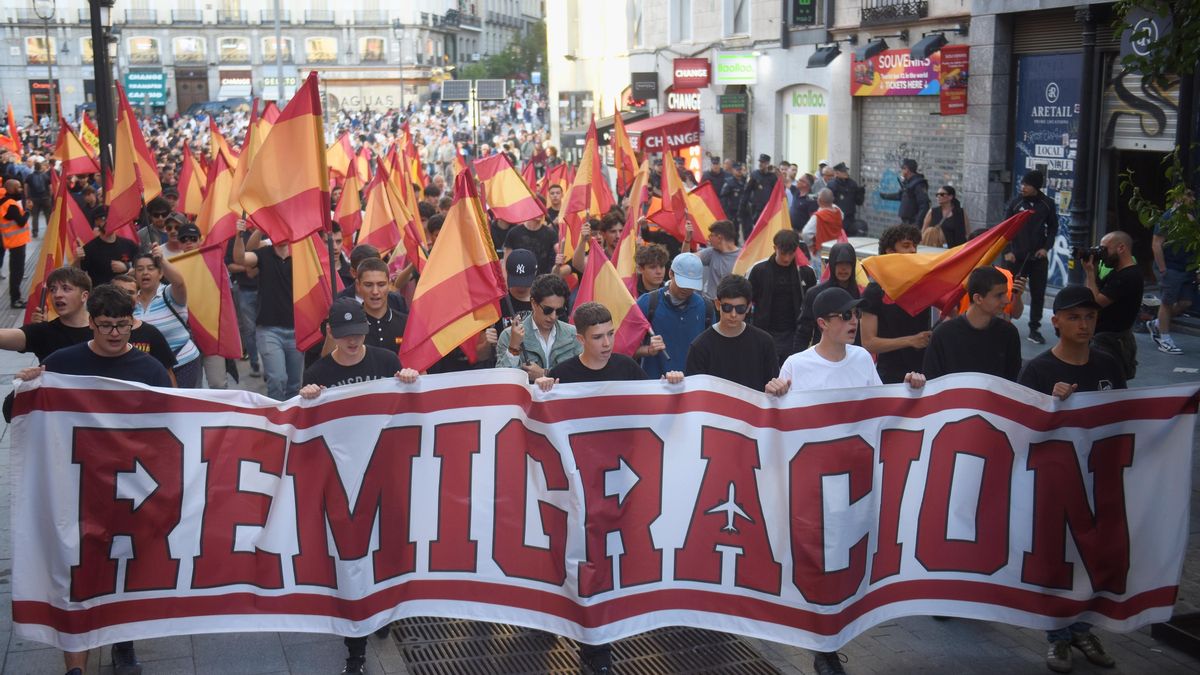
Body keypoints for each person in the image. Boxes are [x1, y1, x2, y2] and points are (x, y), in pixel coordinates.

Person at [16, 284, 172, 675]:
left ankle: (123, 643)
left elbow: (173, 423)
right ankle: (75, 666)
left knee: (124, 570)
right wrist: (30, 385)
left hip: (129, 490)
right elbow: (14, 414)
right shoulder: (61, 363)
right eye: (106, 325)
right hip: (74, 489)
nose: (116, 334)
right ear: (91, 324)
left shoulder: (149, 369)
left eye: (122, 326)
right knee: (74, 573)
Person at [295, 297, 418, 675]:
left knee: (390, 546)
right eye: (345, 335)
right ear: (331, 332)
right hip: (344, 484)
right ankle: (356, 650)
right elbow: (308, 432)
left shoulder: (386, 362)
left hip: (386, 474)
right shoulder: (318, 371)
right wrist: (307, 401)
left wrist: (411, 384)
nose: (352, 342)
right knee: (353, 560)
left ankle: (386, 609)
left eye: (358, 333)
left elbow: (409, 415)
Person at [1016, 285, 1124, 674]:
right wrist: (1051, 405)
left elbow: (1124, 420)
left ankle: (1083, 629)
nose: (1084, 324)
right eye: (1075, 317)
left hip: (1098, 482)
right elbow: (1022, 431)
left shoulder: (1108, 365)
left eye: (1090, 316)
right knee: (1057, 562)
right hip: (1055, 487)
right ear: (1056, 321)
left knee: (1093, 560)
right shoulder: (1039, 370)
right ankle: (1058, 637)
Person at [772, 286, 926, 396]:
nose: (854, 321)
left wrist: (909, 390)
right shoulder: (795, 365)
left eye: (856, 313)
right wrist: (773, 395)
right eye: (846, 315)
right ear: (822, 323)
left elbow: (880, 408)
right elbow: (777, 418)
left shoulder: (863, 357)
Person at [537, 301, 683, 389]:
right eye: (597, 337)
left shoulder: (627, 366)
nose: (607, 343)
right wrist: (542, 389)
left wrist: (669, 385)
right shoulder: (562, 374)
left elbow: (651, 402)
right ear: (581, 339)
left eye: (610, 334)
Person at [234, 223, 304, 400]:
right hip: (268, 330)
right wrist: (241, 234)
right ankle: (276, 421)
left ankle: (292, 422)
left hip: (296, 330)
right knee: (277, 379)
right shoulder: (264, 254)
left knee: (295, 384)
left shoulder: (302, 256)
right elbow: (240, 258)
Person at [922, 267, 1022, 381]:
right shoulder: (943, 334)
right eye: (999, 295)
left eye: (1006, 294)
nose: (1006, 300)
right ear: (978, 298)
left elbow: (1013, 383)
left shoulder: (1009, 334)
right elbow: (931, 381)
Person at [861, 225, 932, 384]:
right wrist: (911, 340)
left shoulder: (922, 286)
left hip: (924, 375)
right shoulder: (874, 292)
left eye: (915, 246)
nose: (913, 250)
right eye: (906, 246)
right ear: (890, 252)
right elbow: (868, 342)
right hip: (890, 378)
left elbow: (950, 310)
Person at [685, 274, 778, 391]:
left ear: (748, 307)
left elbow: (773, 384)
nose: (733, 314)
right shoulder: (700, 347)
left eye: (740, 309)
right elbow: (694, 392)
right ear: (718, 305)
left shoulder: (765, 342)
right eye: (728, 307)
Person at [131, 248, 202, 387]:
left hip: (182, 362)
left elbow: (179, 283)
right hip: (149, 368)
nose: (145, 272)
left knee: (180, 406)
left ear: (160, 273)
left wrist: (162, 259)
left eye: (150, 268)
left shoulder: (169, 293)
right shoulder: (130, 301)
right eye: (140, 269)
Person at [635, 252, 713, 379]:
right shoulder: (647, 303)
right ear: (671, 274)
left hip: (692, 387)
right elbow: (625, 348)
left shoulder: (706, 307)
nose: (686, 289)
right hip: (655, 386)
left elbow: (712, 351)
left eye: (691, 285)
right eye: (683, 283)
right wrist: (648, 350)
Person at [1002, 169, 1057, 344]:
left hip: (1037, 257)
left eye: (1027, 185)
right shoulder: (1016, 203)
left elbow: (1053, 228)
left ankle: (1035, 328)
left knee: (1038, 292)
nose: (1023, 187)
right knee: (1011, 290)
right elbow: (1005, 228)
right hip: (1016, 256)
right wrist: (1007, 251)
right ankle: (1006, 323)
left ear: (1036, 187)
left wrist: (1046, 248)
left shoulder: (1047, 203)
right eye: (1022, 184)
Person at [496, 273, 582, 382]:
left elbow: (581, 376)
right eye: (548, 310)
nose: (553, 317)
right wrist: (514, 346)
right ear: (533, 303)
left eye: (559, 311)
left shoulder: (573, 334)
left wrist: (544, 374)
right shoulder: (509, 336)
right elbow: (502, 381)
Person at [748, 230, 816, 365]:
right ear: (775, 248)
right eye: (783, 253)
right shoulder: (759, 271)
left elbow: (812, 303)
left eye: (791, 254)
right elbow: (748, 301)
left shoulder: (805, 273)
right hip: (765, 331)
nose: (786, 258)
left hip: (794, 333)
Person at [0, 265, 92, 363]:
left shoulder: (102, 329)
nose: (57, 295)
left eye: (66, 289)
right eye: (53, 290)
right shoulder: (44, 331)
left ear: (84, 296)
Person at [1083, 230, 1143, 380]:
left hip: (1110, 341)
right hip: (1106, 338)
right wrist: (1093, 270)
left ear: (1121, 248)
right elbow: (1089, 293)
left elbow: (1094, 302)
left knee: (1106, 382)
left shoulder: (1128, 276)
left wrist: (1090, 273)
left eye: (1104, 249)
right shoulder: (1116, 273)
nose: (1101, 253)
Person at [1148, 195, 1197, 354]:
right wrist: (1163, 269)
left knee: (1186, 302)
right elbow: (1156, 244)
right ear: (1180, 198)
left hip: (1186, 268)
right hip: (1171, 267)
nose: (1193, 199)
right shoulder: (1167, 218)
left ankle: (1157, 323)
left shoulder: (1190, 218)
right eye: (1189, 196)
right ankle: (1164, 338)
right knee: (1167, 302)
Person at [111, 273, 179, 382]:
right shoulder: (94, 331)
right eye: (119, 291)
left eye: (130, 293)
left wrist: (173, 398)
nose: (124, 296)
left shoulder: (150, 332)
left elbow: (167, 373)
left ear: (137, 298)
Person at [795, 242, 860, 351]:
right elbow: (803, 332)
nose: (843, 269)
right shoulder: (815, 294)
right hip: (822, 355)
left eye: (847, 264)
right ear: (832, 264)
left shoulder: (859, 294)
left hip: (851, 356)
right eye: (839, 264)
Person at [77, 206, 139, 287]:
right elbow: (80, 275)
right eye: (103, 218)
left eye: (110, 218)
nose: (107, 222)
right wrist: (77, 259)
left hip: (126, 294)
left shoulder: (129, 244)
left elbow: (139, 268)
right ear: (96, 222)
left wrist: (126, 267)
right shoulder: (89, 249)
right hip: (102, 296)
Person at [1, 178, 31, 308]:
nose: (20, 189)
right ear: (11, 189)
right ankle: (16, 299)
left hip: (12, 241)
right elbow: (21, 221)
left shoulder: (5, 202)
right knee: (16, 272)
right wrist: (28, 210)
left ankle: (16, 298)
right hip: (16, 242)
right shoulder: (10, 204)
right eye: (18, 187)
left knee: (16, 271)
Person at [800, 188, 844, 275]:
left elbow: (805, 233)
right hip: (836, 250)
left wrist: (810, 245)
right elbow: (838, 212)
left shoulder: (818, 217)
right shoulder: (838, 211)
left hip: (821, 253)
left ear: (819, 200)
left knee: (821, 277)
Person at [503, 215, 558, 281]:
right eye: (536, 208)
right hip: (519, 282)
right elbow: (506, 262)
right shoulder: (514, 233)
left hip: (543, 284)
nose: (539, 212)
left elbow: (558, 253)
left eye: (541, 209)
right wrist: (507, 284)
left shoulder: (551, 234)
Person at [697, 219, 741, 300]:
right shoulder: (711, 252)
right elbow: (687, 260)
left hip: (729, 307)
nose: (708, 238)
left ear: (719, 238)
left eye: (711, 235)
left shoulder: (742, 257)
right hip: (710, 303)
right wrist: (687, 240)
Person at [878, 158, 930, 226]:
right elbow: (900, 196)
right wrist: (884, 196)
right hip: (907, 222)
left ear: (907, 169)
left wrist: (917, 223)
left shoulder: (918, 184)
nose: (901, 170)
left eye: (902, 168)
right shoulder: (909, 182)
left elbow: (924, 205)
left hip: (913, 223)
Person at [738, 154, 778, 240]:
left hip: (768, 209)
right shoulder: (754, 175)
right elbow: (747, 191)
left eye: (763, 162)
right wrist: (742, 207)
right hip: (756, 208)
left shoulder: (773, 177)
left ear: (768, 163)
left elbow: (777, 192)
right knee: (756, 231)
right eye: (760, 162)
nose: (761, 164)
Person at [827, 162, 862, 235]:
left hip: (850, 218)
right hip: (836, 218)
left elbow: (859, 202)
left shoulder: (852, 184)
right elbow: (828, 202)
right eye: (843, 171)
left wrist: (861, 193)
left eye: (846, 171)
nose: (846, 173)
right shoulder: (832, 185)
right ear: (837, 173)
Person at [23, 159, 51, 237]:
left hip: (34, 198)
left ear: (34, 168)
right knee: (47, 215)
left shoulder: (29, 176)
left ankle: (35, 232)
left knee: (35, 216)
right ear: (40, 168)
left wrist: (27, 197)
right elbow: (50, 187)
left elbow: (25, 187)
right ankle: (49, 231)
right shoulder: (46, 176)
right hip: (45, 198)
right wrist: (49, 196)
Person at [719, 162, 746, 232]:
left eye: (740, 170)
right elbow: (723, 199)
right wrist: (727, 213)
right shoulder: (729, 182)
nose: (739, 171)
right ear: (733, 170)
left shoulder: (745, 181)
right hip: (732, 212)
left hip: (743, 211)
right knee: (733, 232)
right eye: (737, 170)